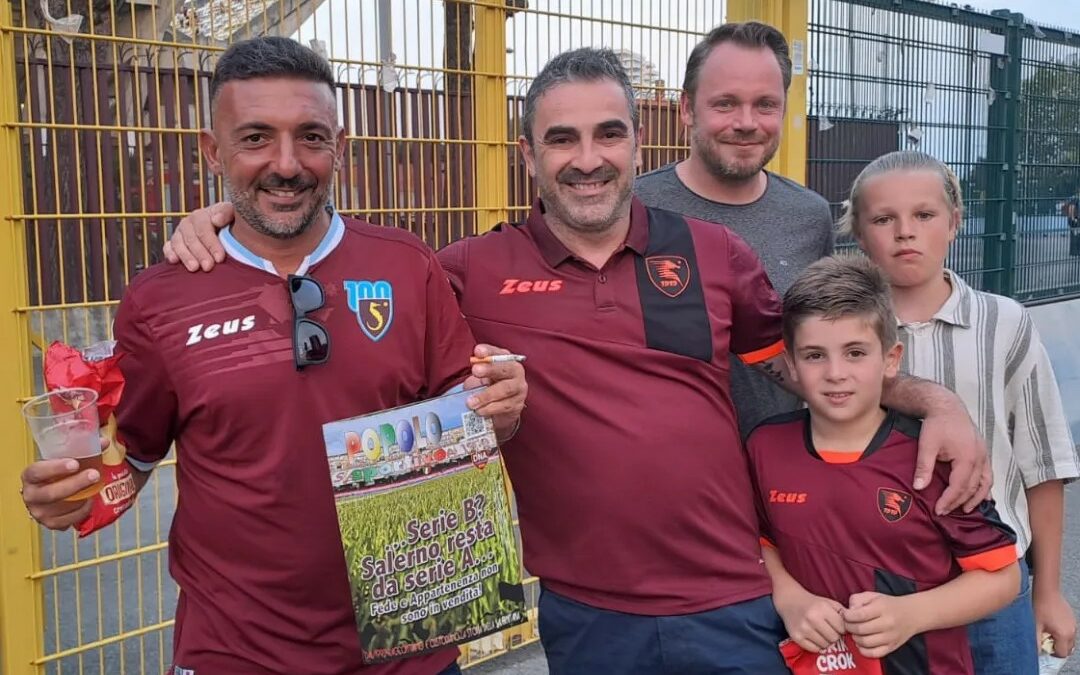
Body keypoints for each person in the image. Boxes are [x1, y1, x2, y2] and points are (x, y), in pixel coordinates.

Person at [159, 47, 991, 673]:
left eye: (608, 133)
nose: (586, 157)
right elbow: (333, 260)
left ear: (638, 145)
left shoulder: (715, 255)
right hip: (587, 612)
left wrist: (927, 398)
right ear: (529, 156)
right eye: (561, 138)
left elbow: (807, 367)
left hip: (736, 594)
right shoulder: (460, 271)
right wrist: (225, 223)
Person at [20, 37, 526, 675]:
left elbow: (469, 410)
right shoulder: (161, 299)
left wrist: (500, 407)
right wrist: (76, 496)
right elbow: (134, 459)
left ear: (338, 145)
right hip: (235, 654)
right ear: (213, 150)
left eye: (311, 137)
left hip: (412, 643)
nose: (286, 164)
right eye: (255, 137)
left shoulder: (406, 264)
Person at [842, 150, 1080, 673]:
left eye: (924, 216)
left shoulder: (1004, 323)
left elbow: (1042, 464)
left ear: (955, 223)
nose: (906, 232)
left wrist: (1048, 593)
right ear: (859, 234)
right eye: (884, 219)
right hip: (878, 589)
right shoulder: (842, 339)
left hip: (994, 590)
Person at [750, 254, 1020, 674]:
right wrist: (789, 597)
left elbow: (1002, 577)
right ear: (791, 364)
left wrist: (913, 613)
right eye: (815, 355)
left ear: (891, 359)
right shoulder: (765, 446)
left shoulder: (931, 455)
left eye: (855, 352)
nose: (836, 373)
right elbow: (759, 541)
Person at [634, 21, 835, 438]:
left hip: (776, 467)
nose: (747, 122)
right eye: (725, 104)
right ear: (686, 108)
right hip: (664, 472)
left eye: (765, 104)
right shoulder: (633, 209)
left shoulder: (810, 217)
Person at [1064, 192, 1080, 257]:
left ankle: (1075, 251)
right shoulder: (1075, 199)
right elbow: (1071, 208)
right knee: (1075, 234)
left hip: (1075, 219)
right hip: (1075, 219)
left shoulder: (1075, 199)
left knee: (1075, 235)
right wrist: (1073, 218)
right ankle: (1075, 251)